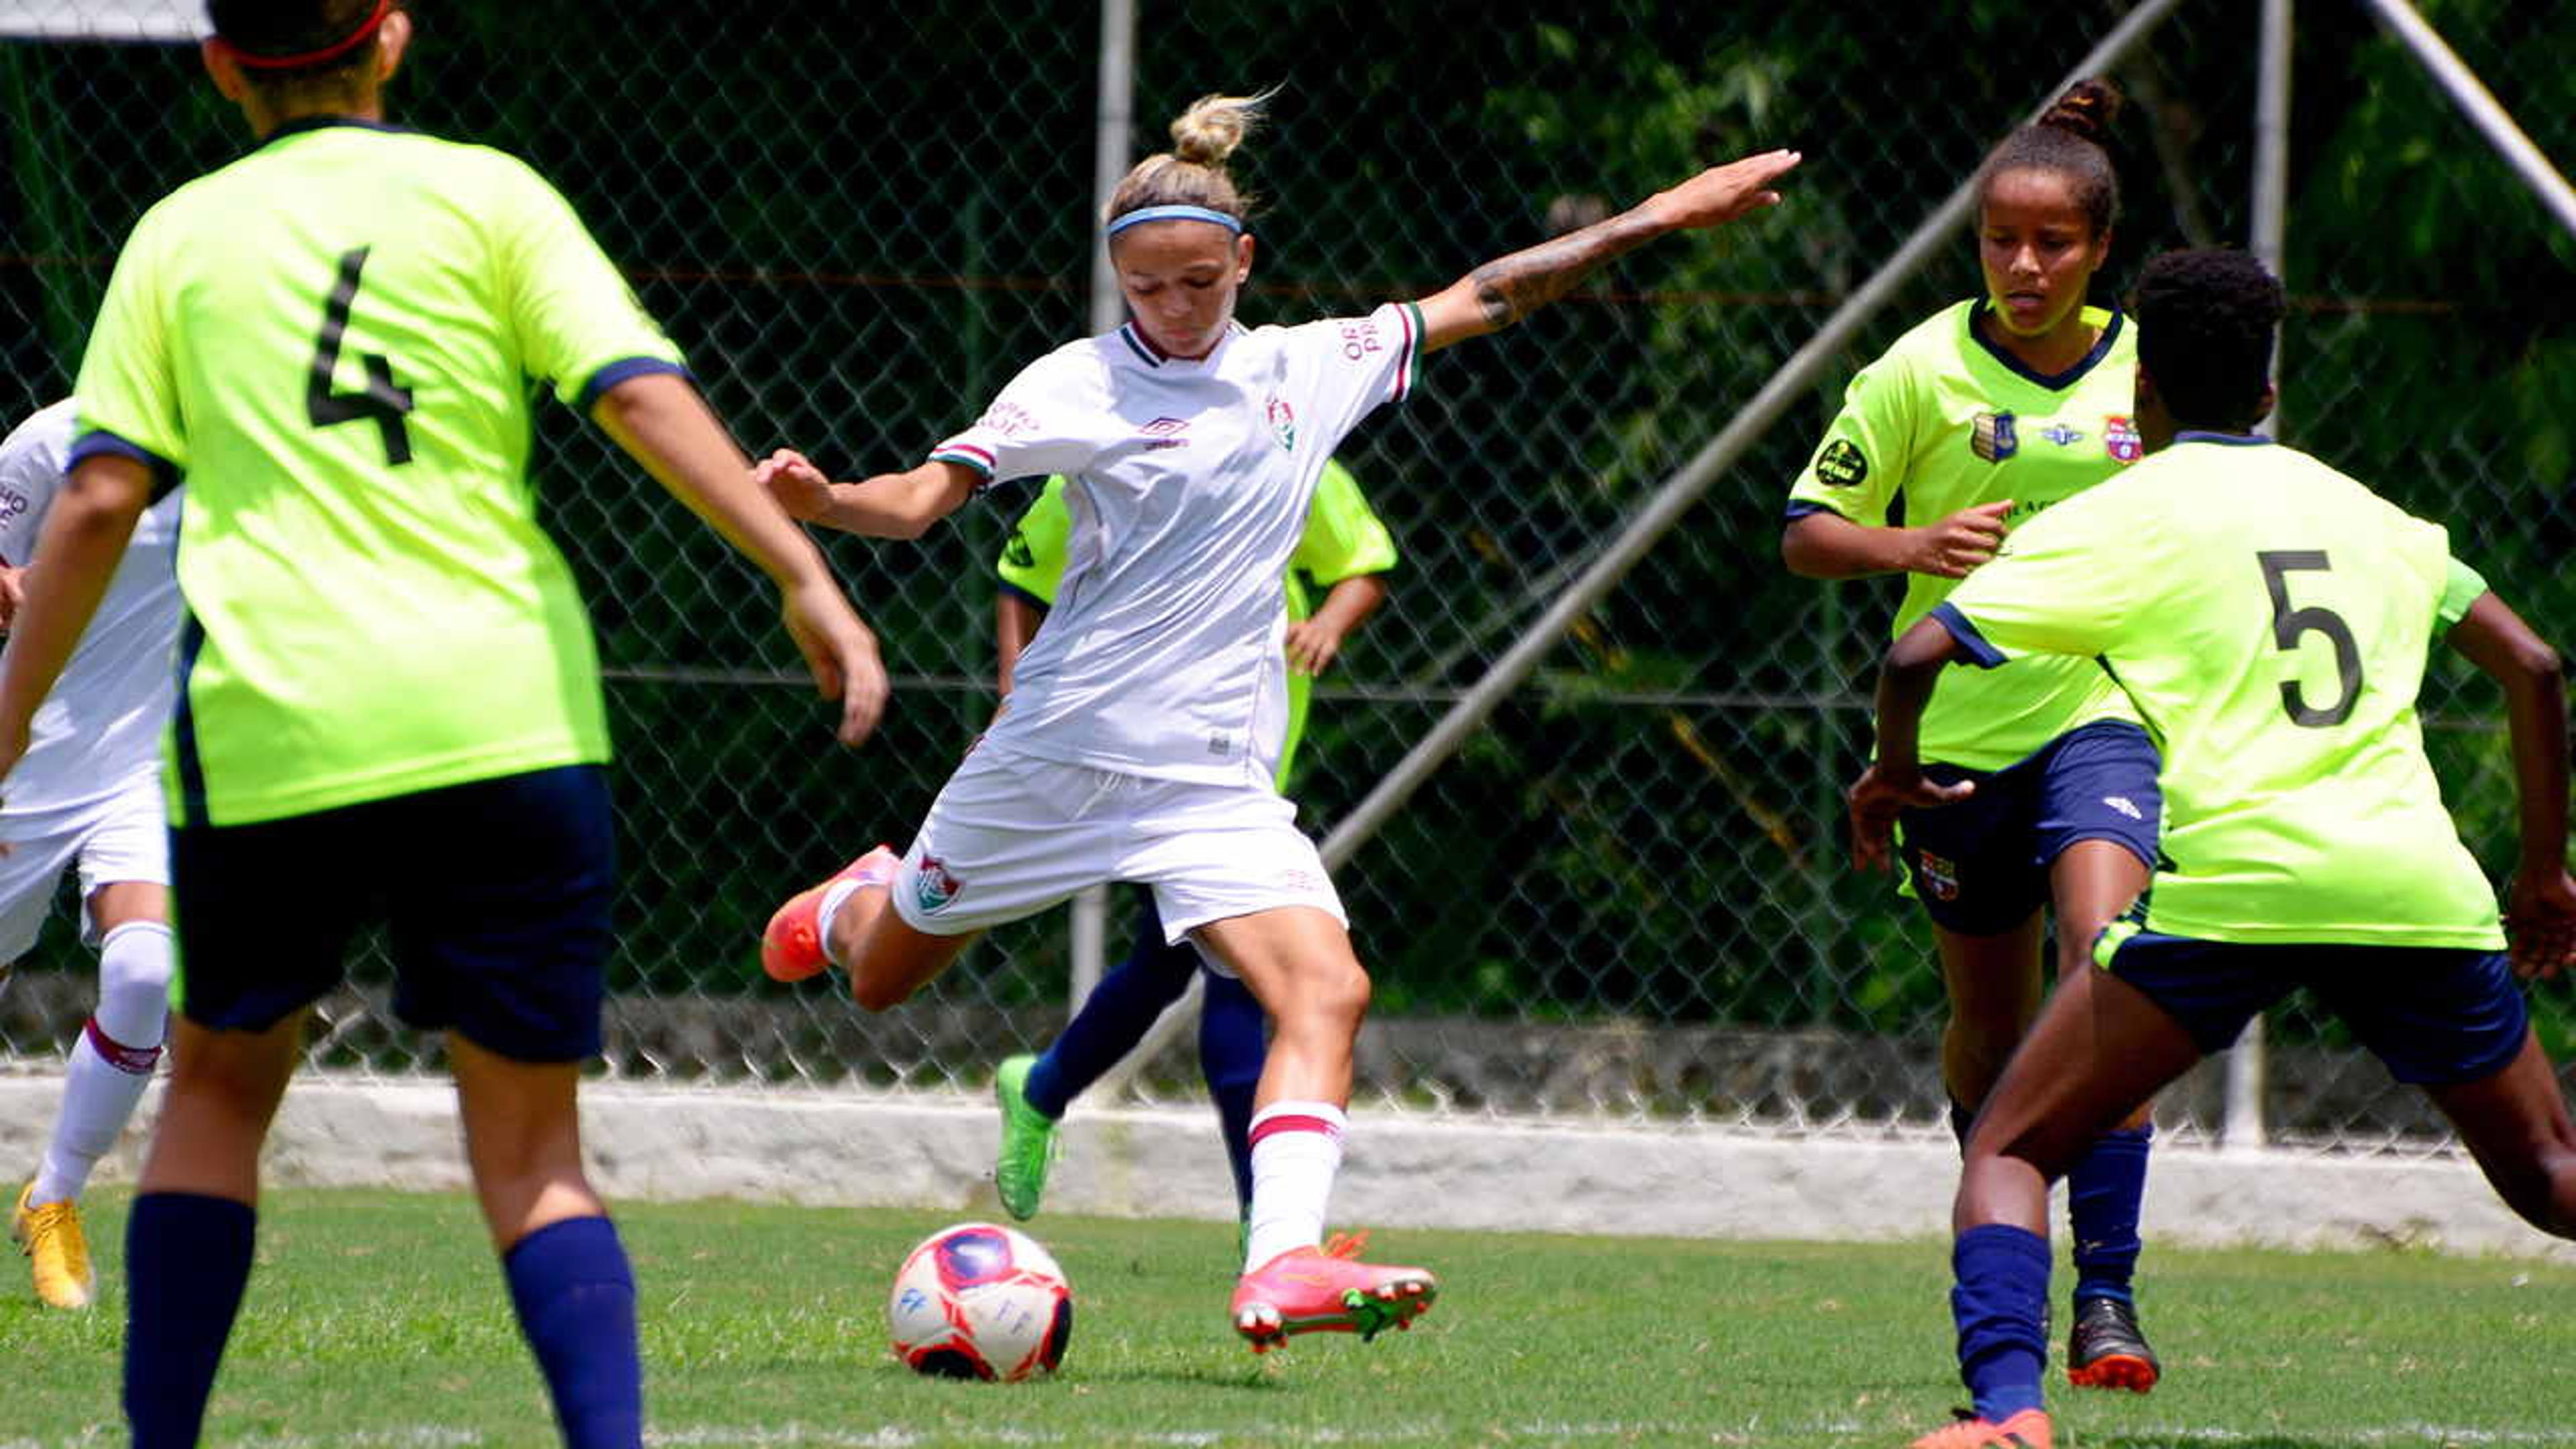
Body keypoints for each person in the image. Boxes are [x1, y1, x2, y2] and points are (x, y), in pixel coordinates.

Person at [755, 90, 1798, 1351]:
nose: (1174, 308)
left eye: (1198, 280)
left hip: (1210, 786)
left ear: (1243, 262)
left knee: (1329, 988)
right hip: (1056, 758)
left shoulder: (1309, 363)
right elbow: (923, 502)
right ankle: (863, 892)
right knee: (875, 982)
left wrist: (1659, 216)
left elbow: (1496, 291)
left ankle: (1281, 1262)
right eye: (1146, 287)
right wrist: (826, 502)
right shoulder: (1076, 381)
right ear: (1115, 276)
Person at [0, 3, 886, 1445]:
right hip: (504, 720)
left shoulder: (181, 235)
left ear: (223, 64)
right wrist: (801, 569)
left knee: (217, 1097)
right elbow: (637, 392)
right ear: (391, 41)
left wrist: (10, 711)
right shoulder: (493, 196)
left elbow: (99, 497)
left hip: (275, 726)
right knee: (535, 1155)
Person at [1849, 248, 2576, 1449]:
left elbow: (1919, 652)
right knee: (2551, 1175)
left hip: (2233, 890)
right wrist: (2544, 872)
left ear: (2142, 400)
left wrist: (1891, 775)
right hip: (2409, 883)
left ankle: (2012, 1417)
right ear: (2271, 394)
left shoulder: (2125, 514)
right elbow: (2537, 666)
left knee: (2015, 1145)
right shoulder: (2371, 513)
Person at [1782, 79, 2163, 1390]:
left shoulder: (2148, 370)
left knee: (2109, 974)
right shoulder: (1920, 369)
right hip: (1951, 742)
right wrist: (1909, 545)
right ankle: (2010, 1243)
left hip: (2110, 723)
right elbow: (1805, 533)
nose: (2025, 264)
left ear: (2100, 249)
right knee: (1987, 1039)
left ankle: (2106, 1297)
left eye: (2054, 242)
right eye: (2003, 238)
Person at [989, 460, 1397, 1227]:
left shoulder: (1289, 445)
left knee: (1162, 968)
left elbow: (1363, 561)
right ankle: (1267, 1231)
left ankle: (1041, 1089)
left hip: (1249, 773)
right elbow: (1025, 573)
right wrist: (1018, 701)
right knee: (1236, 993)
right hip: (1150, 767)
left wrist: (1330, 621)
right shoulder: (1110, 456)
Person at [0, 400, 179, 1311]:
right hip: (18, 753)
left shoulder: (243, 438)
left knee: (146, 972)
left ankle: (55, 1195)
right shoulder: (47, 442)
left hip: (141, 766)